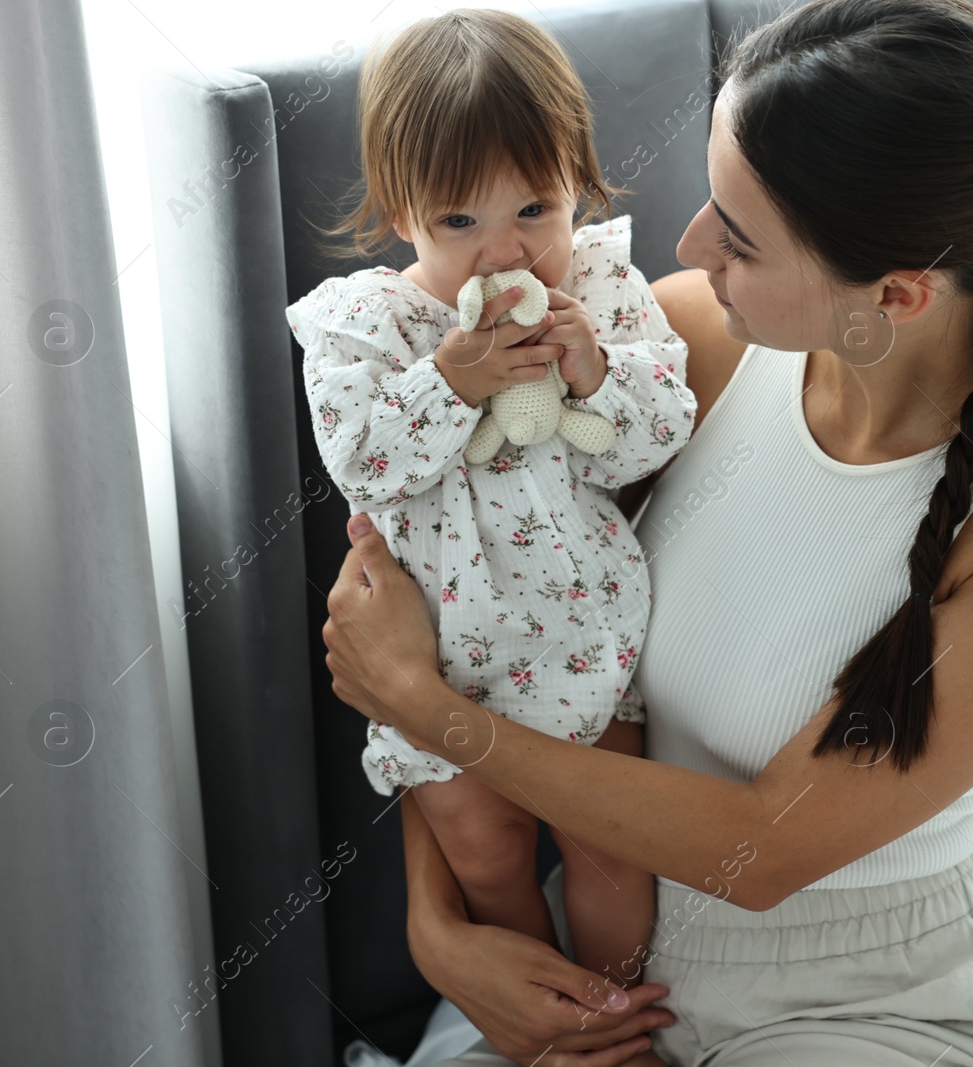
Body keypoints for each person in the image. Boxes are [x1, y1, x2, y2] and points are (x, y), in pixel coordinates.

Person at [321, 1, 973, 1064]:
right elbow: (483, 620)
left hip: (859, 1001)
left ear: (895, 292)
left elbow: (759, 850)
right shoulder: (675, 346)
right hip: (608, 945)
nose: (685, 245)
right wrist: (437, 926)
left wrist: (419, 706)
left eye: (738, 233)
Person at [284, 9, 694, 1033]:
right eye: (457, 222)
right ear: (399, 211)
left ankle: (616, 1012)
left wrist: (593, 366)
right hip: (445, 659)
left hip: (588, 632)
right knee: (485, 851)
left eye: (533, 209)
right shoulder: (363, 326)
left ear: (580, 183)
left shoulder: (601, 289)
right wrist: (449, 381)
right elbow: (364, 461)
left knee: (614, 845)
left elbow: (659, 437)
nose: (501, 250)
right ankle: (545, 1021)